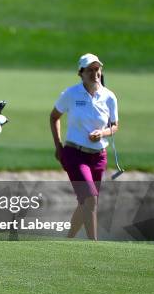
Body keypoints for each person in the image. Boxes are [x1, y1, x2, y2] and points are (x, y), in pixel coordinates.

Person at [49, 53, 119, 240]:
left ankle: (69, 239)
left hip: (98, 156)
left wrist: (102, 133)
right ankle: (93, 245)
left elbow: (114, 126)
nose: (95, 73)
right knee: (90, 199)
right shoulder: (70, 94)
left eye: (97, 69)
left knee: (86, 201)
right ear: (81, 73)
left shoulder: (109, 96)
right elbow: (54, 116)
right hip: (74, 154)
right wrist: (58, 146)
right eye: (90, 70)